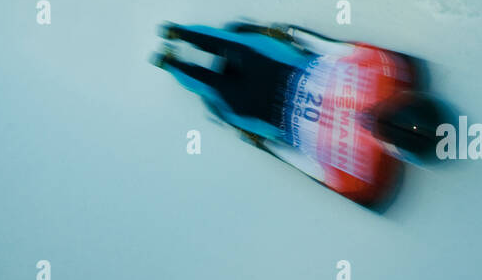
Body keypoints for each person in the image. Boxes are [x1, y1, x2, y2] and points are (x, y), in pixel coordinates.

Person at [152, 21, 442, 206]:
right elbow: (335, 49)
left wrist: (291, 34)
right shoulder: (386, 70)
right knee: (222, 75)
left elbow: (334, 48)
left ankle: (176, 51)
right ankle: (176, 52)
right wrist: (265, 144)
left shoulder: (387, 70)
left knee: (223, 70)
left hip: (276, 88)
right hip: (278, 91)